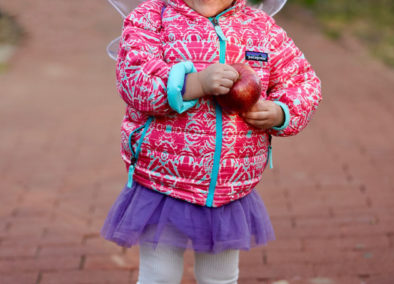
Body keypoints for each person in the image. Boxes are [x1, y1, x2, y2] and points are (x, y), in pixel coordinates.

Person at [101, 0, 322, 282]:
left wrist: (281, 112)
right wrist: (195, 84)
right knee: (160, 276)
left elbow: (304, 82)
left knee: (220, 277)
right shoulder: (152, 18)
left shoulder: (260, 28)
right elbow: (134, 80)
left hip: (228, 186)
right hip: (163, 181)